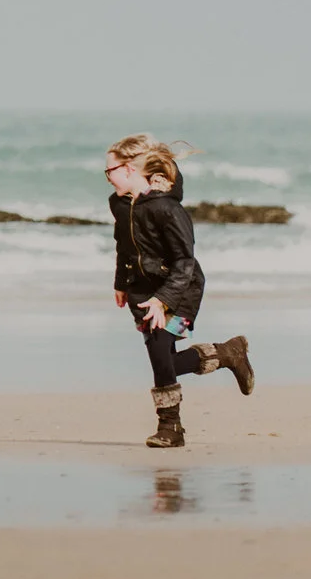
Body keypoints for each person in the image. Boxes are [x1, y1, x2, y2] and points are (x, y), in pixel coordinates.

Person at [105, 134, 253, 447]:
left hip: (180, 290)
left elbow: (185, 260)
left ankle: (170, 427)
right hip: (142, 292)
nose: (107, 177)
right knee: (164, 361)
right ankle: (228, 353)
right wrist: (121, 283)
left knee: (163, 361)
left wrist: (163, 300)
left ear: (130, 169)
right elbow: (124, 245)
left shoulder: (166, 208)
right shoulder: (119, 204)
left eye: (110, 171)